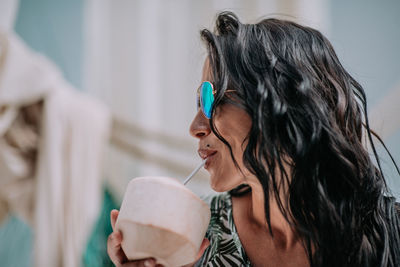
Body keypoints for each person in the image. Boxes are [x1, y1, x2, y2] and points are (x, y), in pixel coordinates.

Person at [107, 12, 400, 267]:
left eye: (210, 99)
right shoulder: (192, 240)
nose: (194, 126)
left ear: (279, 103)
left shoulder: (389, 232)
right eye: (198, 101)